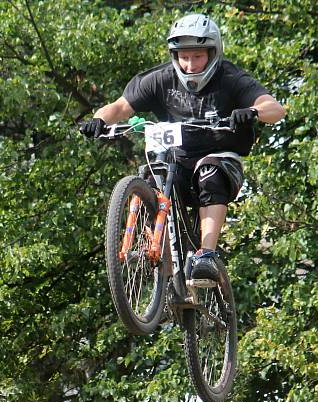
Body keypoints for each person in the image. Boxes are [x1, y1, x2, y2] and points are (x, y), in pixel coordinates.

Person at [81, 13, 285, 283]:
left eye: (197, 56)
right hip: (175, 162)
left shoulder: (231, 77)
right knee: (150, 179)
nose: (189, 65)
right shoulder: (159, 79)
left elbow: (276, 109)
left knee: (209, 172)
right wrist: (99, 120)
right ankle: (161, 270)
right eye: (183, 57)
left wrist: (252, 111)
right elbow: (119, 107)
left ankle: (207, 256)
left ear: (213, 53)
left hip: (219, 161)